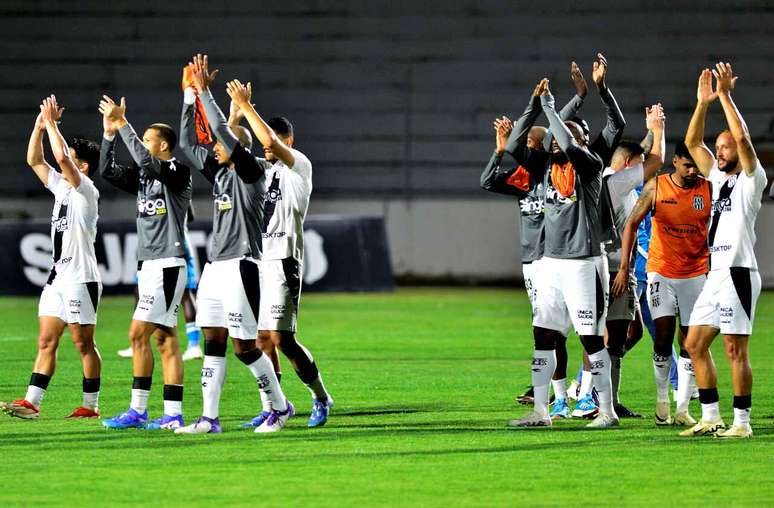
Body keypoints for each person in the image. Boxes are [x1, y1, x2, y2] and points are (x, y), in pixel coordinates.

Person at [174, 54, 292, 434]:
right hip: (215, 267)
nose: (216, 149)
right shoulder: (221, 174)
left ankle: (280, 407)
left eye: (224, 146)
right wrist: (190, 96)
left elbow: (224, 135)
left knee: (245, 347)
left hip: (243, 264)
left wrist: (207, 93)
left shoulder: (252, 171)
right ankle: (209, 418)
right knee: (213, 341)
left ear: (237, 149)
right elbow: (187, 142)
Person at [507, 76, 615, 428]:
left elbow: (568, 143)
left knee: (590, 338)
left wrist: (554, 109)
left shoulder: (589, 167)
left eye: (566, 136)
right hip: (550, 263)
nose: (556, 141)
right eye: (555, 136)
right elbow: (513, 143)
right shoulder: (545, 169)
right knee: (543, 335)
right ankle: (542, 411)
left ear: (582, 141)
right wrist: (535, 105)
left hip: (581, 264)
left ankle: (607, 411)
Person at [481, 62, 588, 419]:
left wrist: (567, 101)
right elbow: (491, 175)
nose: (523, 146)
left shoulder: (553, 166)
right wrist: (533, 103)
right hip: (536, 260)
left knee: (573, 329)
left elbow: (561, 130)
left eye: (530, 142)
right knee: (547, 330)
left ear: (542, 145)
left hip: (560, 258)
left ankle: (589, 394)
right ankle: (555, 397)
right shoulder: (527, 177)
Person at [227, 79, 334, 428]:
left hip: (285, 259)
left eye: (272, 141)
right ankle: (274, 405)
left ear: (289, 141)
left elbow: (267, 140)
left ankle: (320, 396)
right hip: (260, 259)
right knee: (261, 339)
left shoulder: (298, 166)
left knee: (282, 339)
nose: (265, 146)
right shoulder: (266, 170)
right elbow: (233, 148)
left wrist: (246, 107)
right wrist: (233, 116)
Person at [1, 96, 102, 420]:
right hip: (58, 277)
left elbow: (60, 157)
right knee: (46, 339)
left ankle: (91, 405)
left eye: (72, 160)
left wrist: (54, 124)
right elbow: (35, 159)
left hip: (81, 278)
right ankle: (32, 402)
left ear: (82, 166)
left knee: (83, 343)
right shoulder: (61, 188)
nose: (64, 163)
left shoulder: (86, 190)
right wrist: (39, 125)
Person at [681, 63, 766, 438]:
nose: (719, 152)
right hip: (715, 275)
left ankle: (742, 424)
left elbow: (744, 140)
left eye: (724, 147)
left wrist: (726, 96)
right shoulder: (716, 177)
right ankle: (711, 416)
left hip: (738, 271)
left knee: (734, 349)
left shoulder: (751, 179)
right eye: (717, 148)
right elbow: (691, 144)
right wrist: (702, 104)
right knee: (693, 343)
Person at [98, 94, 192, 430]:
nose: (142, 145)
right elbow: (107, 171)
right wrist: (110, 133)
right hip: (149, 264)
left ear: (163, 145)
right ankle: (170, 414)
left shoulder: (177, 172)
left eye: (148, 140)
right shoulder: (143, 177)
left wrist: (125, 123)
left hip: (167, 263)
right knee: (164, 340)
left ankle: (140, 411)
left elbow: (146, 160)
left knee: (137, 334)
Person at [613, 140, 707, 427]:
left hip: (695, 273)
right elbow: (631, 223)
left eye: (696, 166)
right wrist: (625, 265)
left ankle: (682, 407)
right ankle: (662, 399)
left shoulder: (708, 188)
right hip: (661, 272)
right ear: (676, 162)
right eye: (687, 165)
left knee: (691, 341)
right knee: (663, 336)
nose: (692, 171)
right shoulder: (657, 187)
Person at [603, 104, 665, 418]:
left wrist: (651, 131)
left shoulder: (608, 176)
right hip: (613, 269)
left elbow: (640, 154)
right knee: (606, 338)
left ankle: (606, 399)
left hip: (609, 267)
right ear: (628, 166)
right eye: (636, 167)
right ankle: (591, 395)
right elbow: (655, 161)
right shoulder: (617, 183)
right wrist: (658, 130)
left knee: (629, 333)